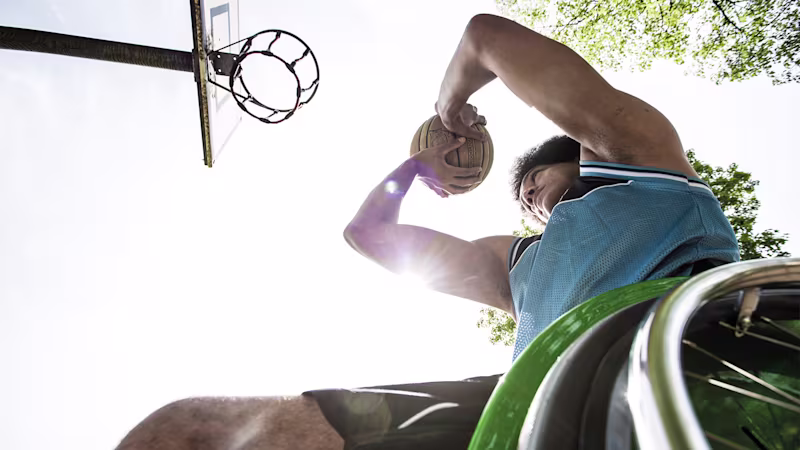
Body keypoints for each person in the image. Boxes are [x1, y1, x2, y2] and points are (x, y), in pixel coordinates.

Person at [116, 13, 739, 450]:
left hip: (685, 367)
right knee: (190, 432)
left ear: (574, 156)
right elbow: (368, 235)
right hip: (532, 404)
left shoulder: (645, 163)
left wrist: (450, 110)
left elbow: (484, 38)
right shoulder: (517, 266)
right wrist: (412, 169)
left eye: (534, 182)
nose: (529, 201)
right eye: (524, 203)